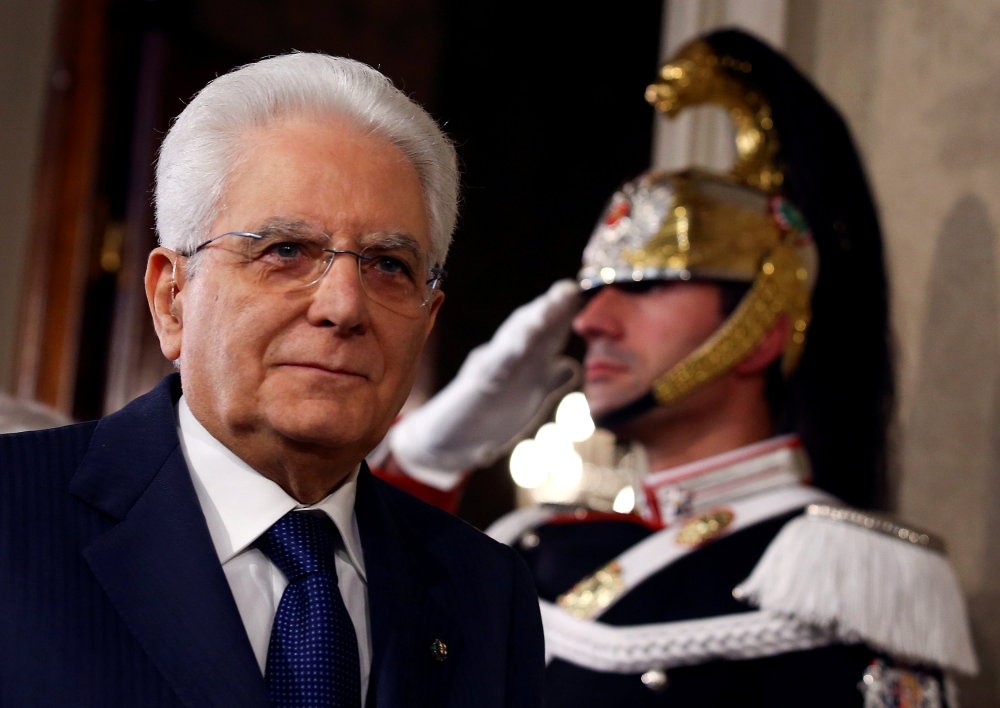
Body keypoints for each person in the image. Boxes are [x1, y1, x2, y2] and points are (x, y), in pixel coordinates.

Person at [371, 29, 978, 706]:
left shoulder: (848, 580)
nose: (593, 321)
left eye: (647, 286)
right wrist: (426, 464)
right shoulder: (533, 547)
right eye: (597, 290)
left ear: (762, 330)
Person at [0, 52, 545, 707]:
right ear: (172, 298)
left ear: (428, 322)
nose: (344, 306)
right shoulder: (13, 511)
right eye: (285, 251)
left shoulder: (486, 590)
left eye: (388, 265)